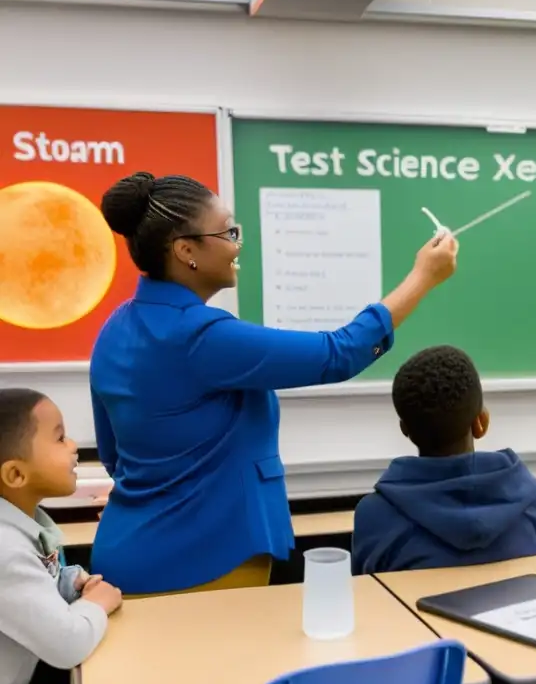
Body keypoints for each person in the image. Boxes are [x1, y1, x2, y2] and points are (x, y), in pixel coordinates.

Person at [89, 172, 459, 596]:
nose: (236, 244)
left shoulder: (115, 328)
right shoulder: (199, 336)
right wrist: (423, 278)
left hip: (125, 555)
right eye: (228, 232)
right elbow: (338, 353)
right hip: (200, 561)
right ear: (186, 250)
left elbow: (114, 454)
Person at [352, 345, 536, 575]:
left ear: (405, 429)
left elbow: (366, 593)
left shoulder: (375, 516)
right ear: (482, 422)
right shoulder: (530, 502)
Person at [0, 389, 123, 684]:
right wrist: (97, 602)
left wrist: (70, 582)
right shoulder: (4, 548)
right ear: (16, 474)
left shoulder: (20, 525)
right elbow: (68, 644)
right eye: (59, 437)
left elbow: (28, 587)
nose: (73, 446)